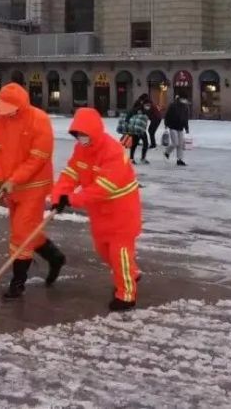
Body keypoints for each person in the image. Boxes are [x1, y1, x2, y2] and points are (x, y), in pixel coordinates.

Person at [52, 107, 142, 311]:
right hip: (100, 212)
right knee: (104, 251)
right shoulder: (81, 150)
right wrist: (59, 195)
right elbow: (71, 173)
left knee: (119, 252)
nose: (81, 138)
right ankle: (131, 272)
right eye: (77, 135)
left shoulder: (113, 151)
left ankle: (126, 295)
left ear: (93, 131)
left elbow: (105, 187)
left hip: (122, 211)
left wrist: (73, 199)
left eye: (84, 134)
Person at [0, 82, 66, 299]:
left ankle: (18, 283)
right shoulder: (2, 119)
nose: (5, 113)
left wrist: (14, 179)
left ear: (20, 105)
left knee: (21, 232)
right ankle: (54, 256)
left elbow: (38, 158)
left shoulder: (39, 120)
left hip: (33, 186)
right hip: (9, 187)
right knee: (26, 229)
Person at [163, 96, 190, 167]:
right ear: (180, 99)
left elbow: (186, 118)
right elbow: (167, 115)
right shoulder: (173, 105)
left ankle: (179, 160)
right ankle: (167, 152)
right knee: (175, 143)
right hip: (173, 126)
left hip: (180, 127)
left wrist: (186, 128)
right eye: (184, 98)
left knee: (180, 144)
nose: (185, 100)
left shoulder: (185, 107)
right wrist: (166, 124)